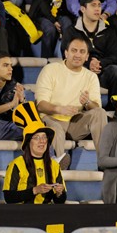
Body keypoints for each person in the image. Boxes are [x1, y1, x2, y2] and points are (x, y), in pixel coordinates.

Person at [35, 36, 107, 169]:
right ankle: (58, 162)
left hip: (75, 123)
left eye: (82, 52)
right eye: (74, 50)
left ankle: (104, 161)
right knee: (56, 129)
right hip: (51, 118)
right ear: (66, 53)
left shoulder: (91, 76)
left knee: (100, 113)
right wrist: (59, 109)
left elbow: (96, 107)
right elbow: (40, 105)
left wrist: (87, 102)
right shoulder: (51, 69)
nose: (78, 55)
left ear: (87, 57)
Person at [3, 102, 67, 204]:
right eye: (37, 138)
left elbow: (60, 201)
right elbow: (9, 197)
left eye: (44, 137)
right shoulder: (16, 164)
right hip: (24, 213)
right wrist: (35, 190)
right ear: (28, 142)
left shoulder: (54, 165)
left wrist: (59, 193)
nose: (42, 141)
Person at [70, 0, 117, 90]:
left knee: (116, 72)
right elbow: (67, 55)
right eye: (93, 5)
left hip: (102, 69)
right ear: (83, 9)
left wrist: (100, 63)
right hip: (81, 69)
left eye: (99, 5)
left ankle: (115, 100)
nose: (97, 9)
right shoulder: (72, 31)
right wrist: (89, 63)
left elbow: (115, 56)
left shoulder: (109, 30)